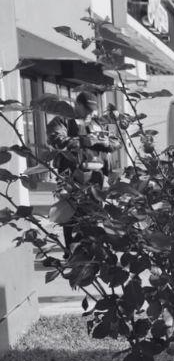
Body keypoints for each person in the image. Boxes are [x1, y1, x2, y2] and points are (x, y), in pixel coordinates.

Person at [46, 92, 119, 251]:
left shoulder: (99, 122)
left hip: (95, 177)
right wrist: (82, 141)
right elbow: (55, 139)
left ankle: (90, 247)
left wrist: (105, 141)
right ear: (77, 105)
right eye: (86, 109)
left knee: (93, 214)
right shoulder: (62, 121)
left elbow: (115, 141)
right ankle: (71, 250)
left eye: (92, 109)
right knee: (70, 215)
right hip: (70, 176)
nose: (89, 113)